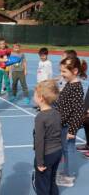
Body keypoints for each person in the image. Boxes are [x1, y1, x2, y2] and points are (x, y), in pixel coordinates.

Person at [55, 56, 87, 187]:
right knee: (65, 150)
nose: (62, 74)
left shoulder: (77, 87)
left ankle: (69, 176)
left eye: (64, 72)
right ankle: (66, 172)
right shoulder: (70, 84)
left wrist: (72, 130)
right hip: (63, 124)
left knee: (69, 150)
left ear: (74, 71)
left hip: (68, 126)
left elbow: (78, 111)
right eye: (61, 71)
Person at [32, 80, 62, 195]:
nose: (33, 96)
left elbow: (39, 141)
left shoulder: (40, 117)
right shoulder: (57, 113)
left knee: (42, 184)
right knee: (52, 181)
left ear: (41, 98)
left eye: (35, 94)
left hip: (46, 154)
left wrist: (39, 162)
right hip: (57, 152)